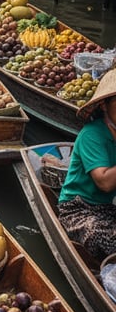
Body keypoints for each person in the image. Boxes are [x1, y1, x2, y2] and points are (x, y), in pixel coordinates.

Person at [57, 68, 116, 261]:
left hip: (107, 209)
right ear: (104, 106)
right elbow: (104, 182)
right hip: (78, 208)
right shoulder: (92, 134)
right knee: (100, 235)